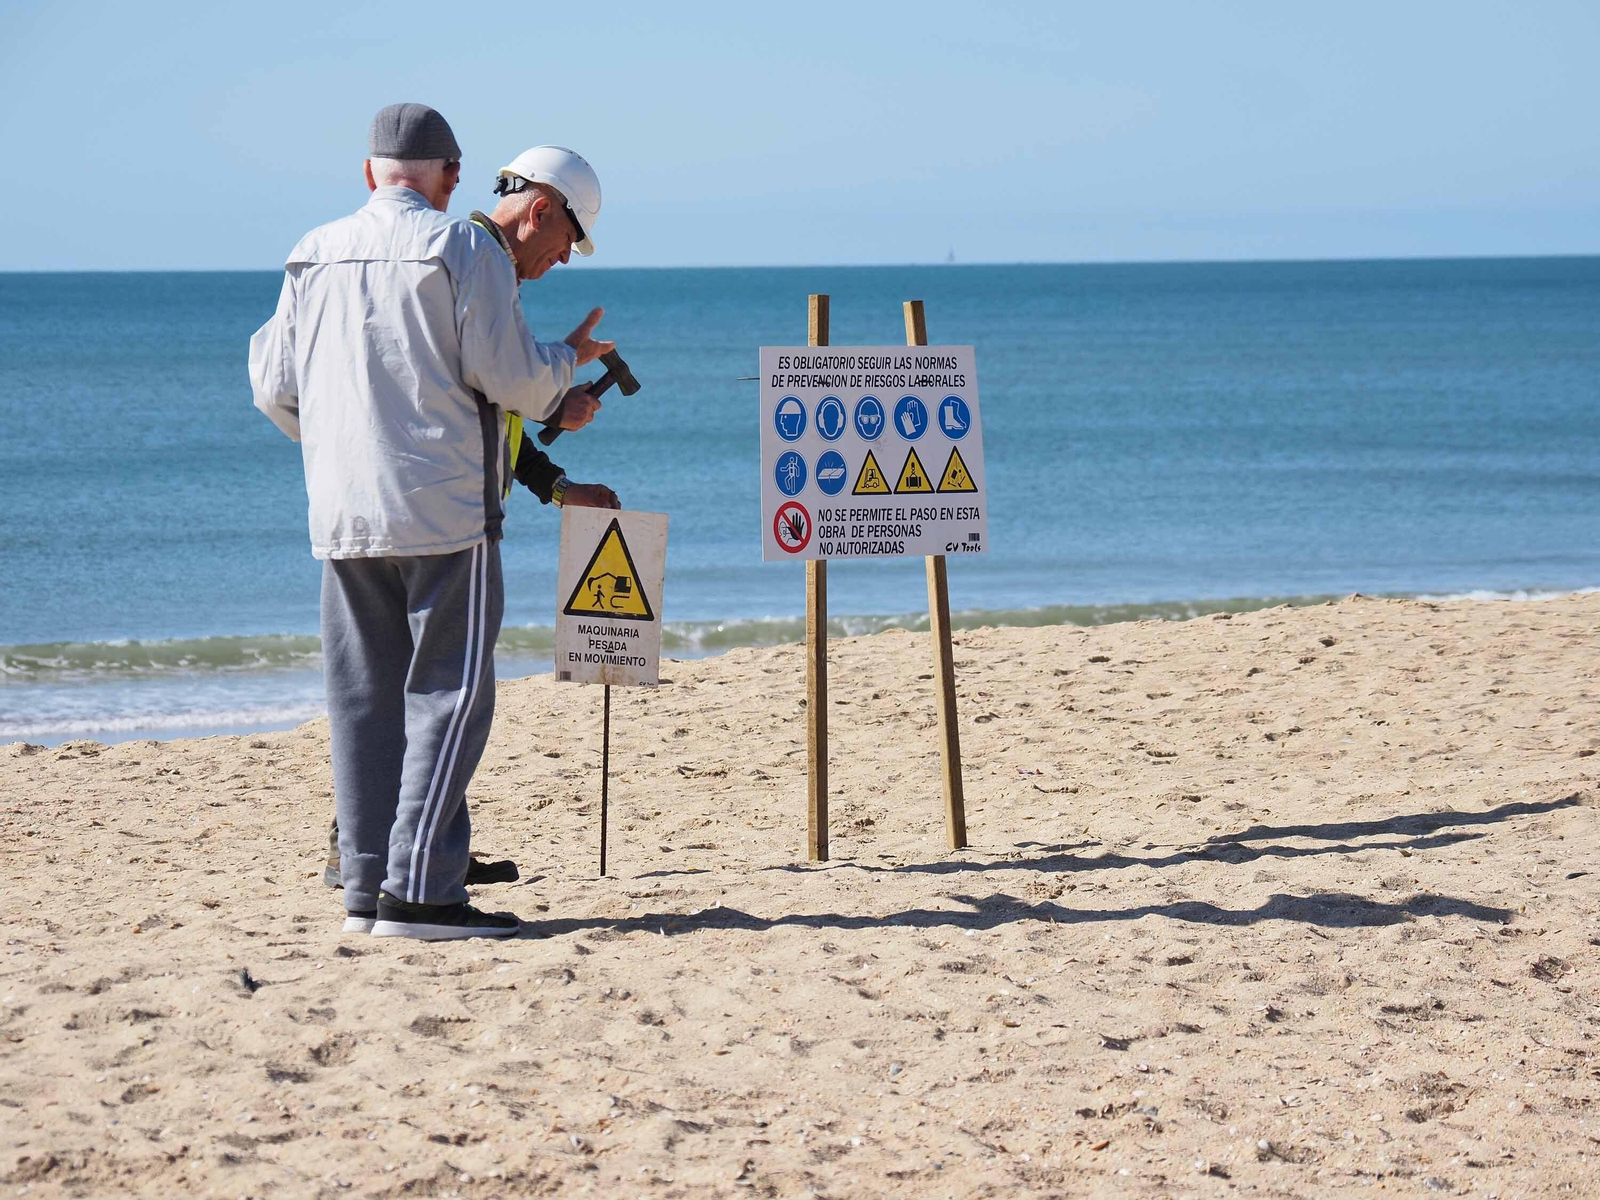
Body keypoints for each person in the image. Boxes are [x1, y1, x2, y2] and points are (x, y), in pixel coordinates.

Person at [249, 103, 618, 940]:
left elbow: (273, 386)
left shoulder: (312, 251)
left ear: (368, 171)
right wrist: (566, 364)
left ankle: (366, 888)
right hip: (446, 511)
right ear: (449, 177)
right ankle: (419, 895)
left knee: (363, 698)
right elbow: (513, 381)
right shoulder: (459, 247)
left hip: (343, 508)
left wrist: (351, 439)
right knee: (449, 698)